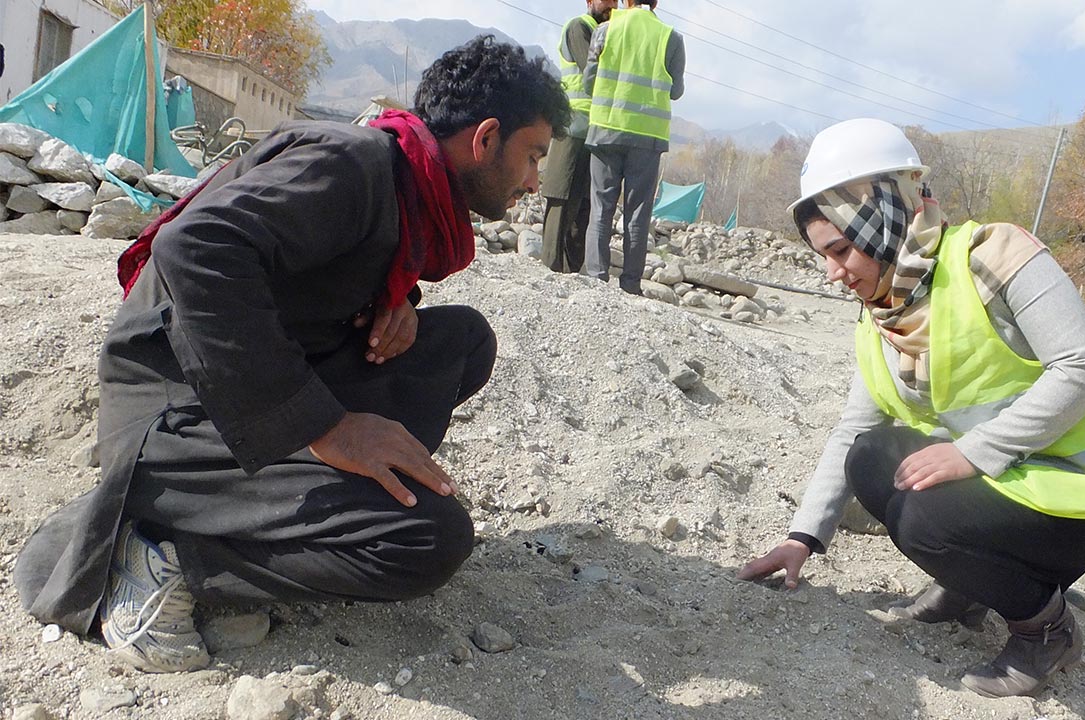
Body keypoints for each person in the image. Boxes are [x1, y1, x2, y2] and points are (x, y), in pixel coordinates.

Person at [14, 36, 570, 673]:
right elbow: (196, 250)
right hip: (176, 401)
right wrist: (326, 428)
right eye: (533, 156)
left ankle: (237, 506)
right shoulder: (355, 162)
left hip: (239, 385)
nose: (532, 182)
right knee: (427, 541)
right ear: (486, 137)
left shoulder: (403, 183)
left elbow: (308, 269)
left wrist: (396, 299)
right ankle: (157, 550)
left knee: (460, 344)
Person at [739, 119, 1085, 698]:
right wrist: (802, 538)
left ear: (879, 219)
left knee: (923, 518)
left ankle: (1046, 630)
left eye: (840, 249)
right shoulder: (883, 311)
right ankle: (969, 586)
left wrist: (974, 453)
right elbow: (854, 430)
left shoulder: (995, 254)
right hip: (1013, 485)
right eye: (822, 257)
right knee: (872, 457)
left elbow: (1079, 367)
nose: (832, 273)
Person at [581, 0, 685, 294]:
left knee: (601, 208)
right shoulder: (671, 37)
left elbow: (589, 84)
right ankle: (630, 285)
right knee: (637, 214)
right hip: (647, 138)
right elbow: (676, 90)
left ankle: (596, 279)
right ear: (656, 3)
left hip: (605, 130)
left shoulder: (605, 30)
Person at [540, 0, 618, 273]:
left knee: (584, 203)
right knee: (561, 197)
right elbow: (594, 74)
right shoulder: (579, 27)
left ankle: (572, 271)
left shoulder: (607, 33)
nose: (611, 4)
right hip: (573, 127)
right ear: (589, 2)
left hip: (596, 130)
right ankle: (550, 267)